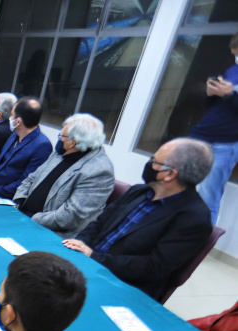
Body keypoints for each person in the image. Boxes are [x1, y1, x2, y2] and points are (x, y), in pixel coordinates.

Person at [64, 138, 213, 301]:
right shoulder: (138, 191)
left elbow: (152, 267)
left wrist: (93, 257)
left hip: (121, 287)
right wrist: (78, 247)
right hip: (87, 265)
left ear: (169, 174)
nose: (149, 164)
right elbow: (98, 224)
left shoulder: (194, 218)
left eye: (154, 161)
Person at [13, 113, 115, 238]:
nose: (59, 139)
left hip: (53, 233)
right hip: (24, 218)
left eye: (62, 136)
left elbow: (71, 216)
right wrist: (19, 201)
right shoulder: (61, 152)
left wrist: (31, 218)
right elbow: (32, 178)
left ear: (73, 142)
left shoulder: (99, 171)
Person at [190, 32, 238, 225]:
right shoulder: (233, 69)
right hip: (201, 134)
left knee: (207, 196)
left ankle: (197, 244)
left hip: (226, 143)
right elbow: (216, 107)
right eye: (235, 53)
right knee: (175, 185)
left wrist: (229, 95)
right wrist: (211, 94)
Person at [0, 96, 52, 199]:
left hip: (1, 198)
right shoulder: (14, 135)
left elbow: (24, 183)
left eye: (12, 115)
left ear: (18, 122)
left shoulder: (42, 146)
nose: (9, 118)